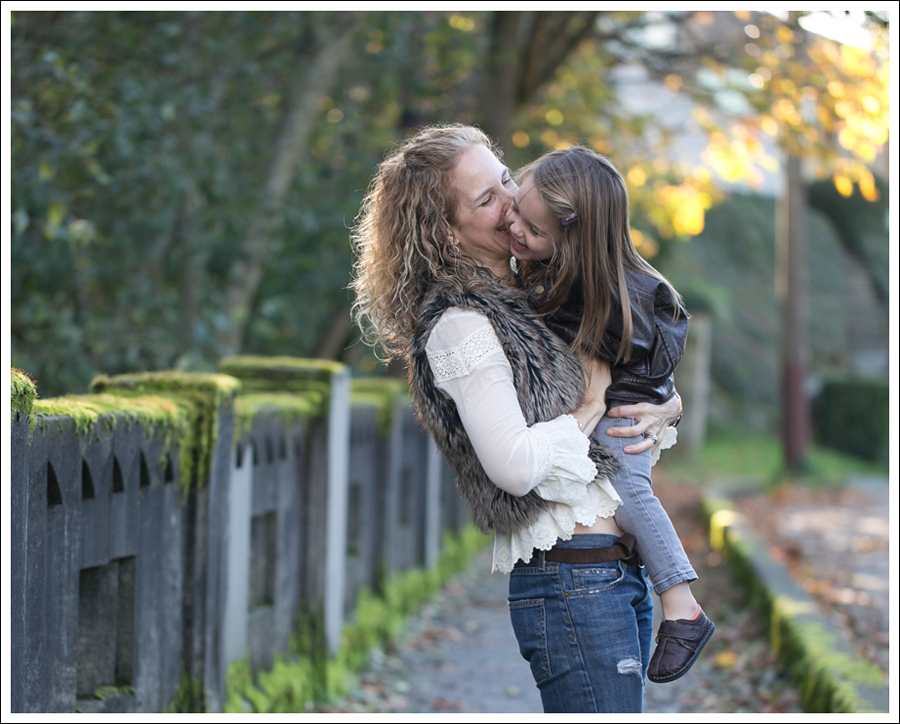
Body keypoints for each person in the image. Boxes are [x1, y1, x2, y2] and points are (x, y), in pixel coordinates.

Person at [350, 124, 682, 712]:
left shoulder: (538, 293)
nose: (511, 203)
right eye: (486, 199)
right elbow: (514, 466)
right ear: (445, 232)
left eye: (506, 179)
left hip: (608, 574)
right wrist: (589, 406)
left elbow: (627, 373)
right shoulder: (461, 325)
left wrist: (667, 405)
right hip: (572, 580)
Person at [505, 145, 714, 683]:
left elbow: (629, 367)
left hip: (630, 402)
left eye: (533, 228)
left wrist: (667, 404)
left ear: (572, 240)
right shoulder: (562, 272)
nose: (515, 229)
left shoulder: (595, 292)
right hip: (629, 399)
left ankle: (682, 605)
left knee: (627, 485)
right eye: (516, 211)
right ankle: (680, 603)